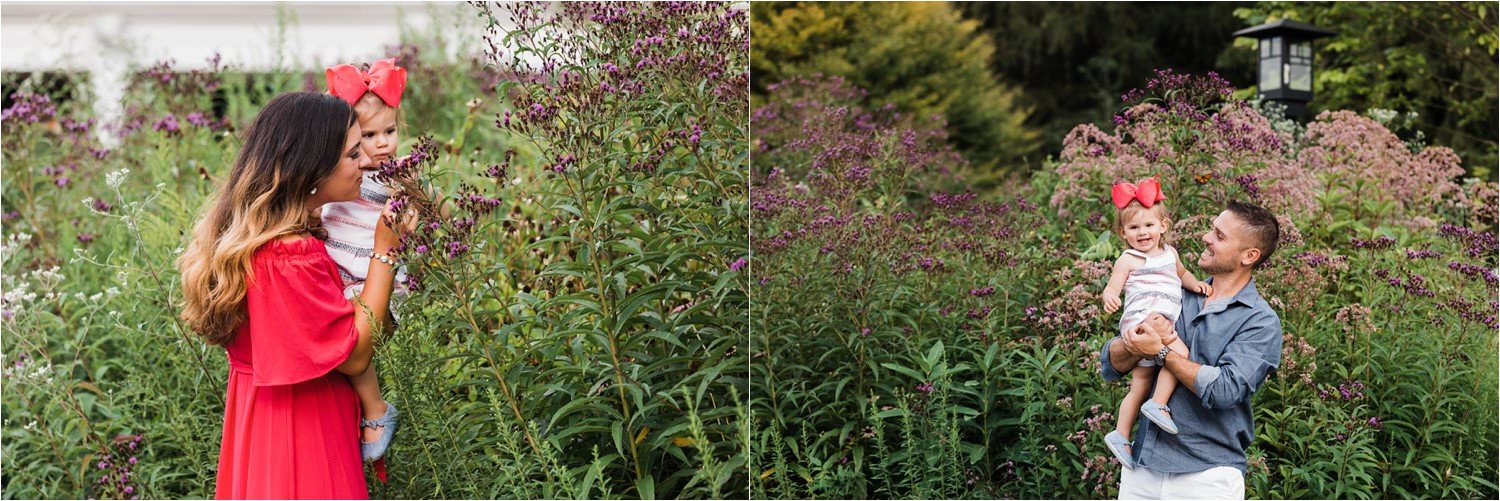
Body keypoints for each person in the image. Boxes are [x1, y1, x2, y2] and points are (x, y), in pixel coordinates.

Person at [178, 92, 410, 499]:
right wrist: (385, 251)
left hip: (261, 426)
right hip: (302, 433)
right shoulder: (287, 255)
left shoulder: (271, 242)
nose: (367, 163)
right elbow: (355, 351)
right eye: (353, 154)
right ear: (312, 169)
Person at [1098, 200, 1283, 500]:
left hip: (1207, 474)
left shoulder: (1260, 321)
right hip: (1141, 467)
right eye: (1212, 229)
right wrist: (1132, 342)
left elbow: (1225, 390)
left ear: (1249, 255)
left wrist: (1161, 351)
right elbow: (1111, 364)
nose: (1206, 237)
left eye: (1219, 235)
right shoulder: (1174, 290)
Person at [322, 58, 408, 462]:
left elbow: (426, 214)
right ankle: (370, 408)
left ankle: (375, 408)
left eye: (389, 132)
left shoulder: (398, 175)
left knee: (354, 332)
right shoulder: (339, 172)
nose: (382, 144)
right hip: (342, 265)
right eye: (368, 136)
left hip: (372, 271)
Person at [1098, 177, 1212, 468]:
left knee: (1140, 381)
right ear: (1123, 233)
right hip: (1143, 321)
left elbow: (1183, 274)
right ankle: (1158, 404)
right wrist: (1110, 296)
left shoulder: (1170, 253)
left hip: (1158, 322)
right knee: (1181, 355)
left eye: (1149, 225)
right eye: (1134, 228)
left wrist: (1195, 283)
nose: (1143, 233)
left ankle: (1121, 434)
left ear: (1163, 226)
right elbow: (1113, 286)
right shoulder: (1129, 259)